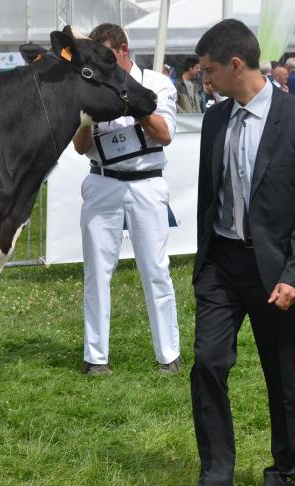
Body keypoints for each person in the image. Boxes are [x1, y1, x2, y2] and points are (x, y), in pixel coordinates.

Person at [193, 19, 295, 485]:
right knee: (208, 363)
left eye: (209, 71)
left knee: (282, 374)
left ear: (236, 65)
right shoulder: (215, 118)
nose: (204, 80)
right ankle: (216, 473)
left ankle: (285, 472)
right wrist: (204, 260)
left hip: (276, 269)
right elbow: (210, 197)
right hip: (221, 264)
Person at [73, 23, 182, 376]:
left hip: (146, 183)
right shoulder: (94, 85)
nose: (101, 63)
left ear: (123, 49)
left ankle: (168, 354)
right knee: (96, 273)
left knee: (155, 269)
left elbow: (164, 134)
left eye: (106, 56)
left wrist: (133, 102)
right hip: (102, 181)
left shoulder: (157, 83)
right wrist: (87, 115)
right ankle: (96, 357)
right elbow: (80, 146)